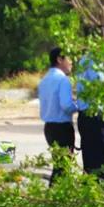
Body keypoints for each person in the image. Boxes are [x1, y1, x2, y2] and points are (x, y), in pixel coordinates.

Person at [38, 45, 75, 183]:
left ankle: (54, 197)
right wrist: (79, 106)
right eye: (69, 58)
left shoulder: (44, 80)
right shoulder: (63, 80)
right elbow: (66, 106)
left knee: (58, 165)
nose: (71, 62)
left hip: (49, 128)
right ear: (60, 59)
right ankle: (57, 198)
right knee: (63, 167)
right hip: (62, 128)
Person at [76, 47, 104, 179]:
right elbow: (102, 88)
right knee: (102, 163)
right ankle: (103, 194)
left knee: (91, 163)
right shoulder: (95, 60)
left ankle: (92, 195)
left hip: (87, 116)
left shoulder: (84, 60)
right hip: (96, 117)